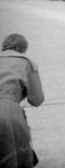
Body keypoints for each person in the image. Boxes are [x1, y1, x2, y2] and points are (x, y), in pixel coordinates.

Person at [0, 34, 45, 167]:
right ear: (23, 48)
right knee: (14, 155)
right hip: (7, 112)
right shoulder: (26, 62)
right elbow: (37, 99)